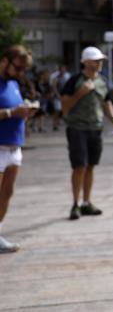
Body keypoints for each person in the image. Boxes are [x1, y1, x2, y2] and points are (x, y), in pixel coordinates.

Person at [61, 46, 113, 220]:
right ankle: (75, 204)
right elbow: (64, 107)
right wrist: (80, 94)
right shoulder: (74, 80)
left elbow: (106, 103)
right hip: (77, 128)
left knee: (90, 166)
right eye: (97, 60)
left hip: (95, 128)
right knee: (79, 167)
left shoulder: (102, 81)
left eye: (101, 60)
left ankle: (86, 202)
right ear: (86, 62)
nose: (100, 63)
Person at [0, 45, 37, 253]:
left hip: (14, 147)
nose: (21, 73)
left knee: (7, 193)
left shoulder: (13, 83)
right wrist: (11, 112)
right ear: (5, 61)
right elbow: (9, 111)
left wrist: (25, 111)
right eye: (18, 68)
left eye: (24, 70)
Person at [49, 65, 71, 130]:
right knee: (57, 110)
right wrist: (57, 95)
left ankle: (66, 123)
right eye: (61, 69)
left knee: (66, 110)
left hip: (65, 96)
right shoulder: (56, 78)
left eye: (64, 69)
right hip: (57, 96)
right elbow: (54, 87)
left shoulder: (67, 77)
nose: (62, 71)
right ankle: (55, 124)